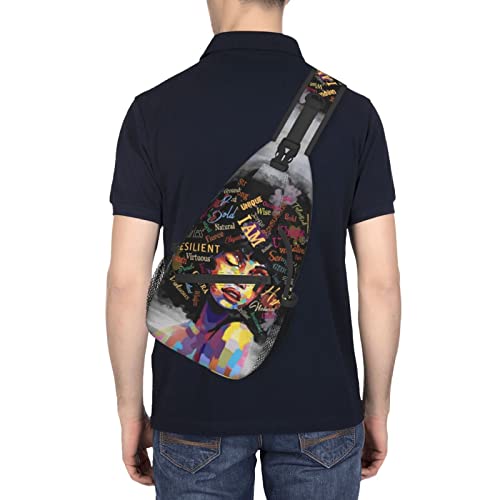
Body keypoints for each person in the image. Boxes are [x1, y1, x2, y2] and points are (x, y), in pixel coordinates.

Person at [106, 0, 401, 498]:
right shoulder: (353, 114)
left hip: (193, 406)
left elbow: (126, 282)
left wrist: (130, 409)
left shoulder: (154, 112)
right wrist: (376, 407)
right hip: (322, 407)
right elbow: (381, 283)